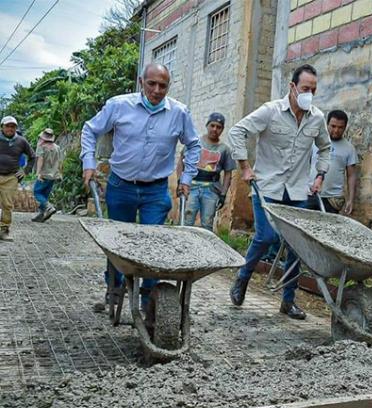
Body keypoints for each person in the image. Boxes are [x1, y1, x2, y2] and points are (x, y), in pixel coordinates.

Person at [80, 63, 201, 308]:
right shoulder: (118, 105)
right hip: (121, 185)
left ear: (169, 86)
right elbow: (90, 130)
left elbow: (194, 145)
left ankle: (149, 297)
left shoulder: (179, 112)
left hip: (155, 190)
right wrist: (88, 163)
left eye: (163, 85)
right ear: (140, 82)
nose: (157, 90)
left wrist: (186, 178)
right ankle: (114, 286)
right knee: (117, 242)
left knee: (153, 244)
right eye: (151, 83)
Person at [227, 64, 331, 320]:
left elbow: (326, 148)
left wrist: (319, 175)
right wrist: (244, 166)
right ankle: (243, 277)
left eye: (313, 90)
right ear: (293, 87)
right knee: (266, 236)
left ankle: (288, 301)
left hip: (297, 191)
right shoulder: (270, 111)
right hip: (268, 187)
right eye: (305, 88)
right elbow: (237, 131)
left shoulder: (317, 117)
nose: (309, 94)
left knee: (297, 246)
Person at [177, 112, 235, 232]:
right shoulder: (195, 142)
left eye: (219, 127)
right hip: (191, 186)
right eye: (212, 125)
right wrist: (180, 181)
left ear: (222, 129)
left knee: (207, 224)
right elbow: (181, 160)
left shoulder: (224, 149)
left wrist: (223, 194)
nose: (215, 129)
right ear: (207, 125)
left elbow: (228, 173)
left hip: (211, 190)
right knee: (185, 220)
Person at [308, 110, 359, 214]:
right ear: (327, 124)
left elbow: (351, 176)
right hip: (309, 194)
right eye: (333, 126)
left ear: (345, 127)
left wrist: (351, 200)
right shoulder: (314, 142)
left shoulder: (349, 148)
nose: (336, 130)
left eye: (340, 128)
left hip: (333, 199)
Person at [0, 116, 35, 241]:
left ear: (16, 128)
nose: (10, 129)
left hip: (11, 177)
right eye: (7, 126)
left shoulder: (21, 141)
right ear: (2, 127)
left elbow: (32, 157)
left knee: (7, 205)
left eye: (13, 126)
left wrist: (25, 171)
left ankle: (4, 230)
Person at [32, 128, 63, 223]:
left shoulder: (41, 147)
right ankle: (42, 214)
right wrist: (60, 173)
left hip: (44, 174)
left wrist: (38, 173)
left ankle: (48, 207)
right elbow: (60, 161)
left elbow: (40, 160)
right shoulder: (57, 147)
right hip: (53, 175)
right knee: (45, 194)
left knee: (37, 192)